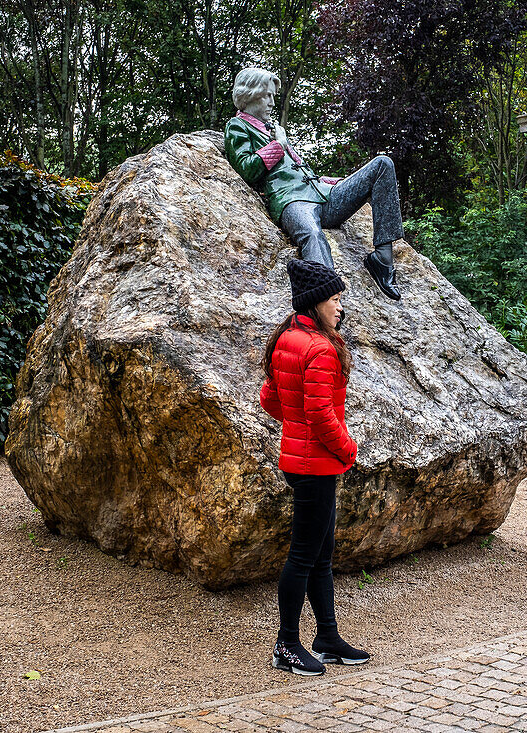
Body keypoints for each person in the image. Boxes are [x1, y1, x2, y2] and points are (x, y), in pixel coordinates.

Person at [259, 258, 370, 675]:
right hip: (317, 464)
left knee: (320, 554)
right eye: (336, 299)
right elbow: (323, 416)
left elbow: (272, 398)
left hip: (301, 460)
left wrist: (298, 427)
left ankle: (326, 637)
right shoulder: (321, 347)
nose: (340, 307)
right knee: (304, 556)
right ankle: (286, 645)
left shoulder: (288, 337)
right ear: (317, 301)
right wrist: (349, 450)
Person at [225, 67, 402, 301]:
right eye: (266, 95)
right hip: (291, 200)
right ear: (249, 95)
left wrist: (340, 183)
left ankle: (382, 260)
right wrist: (279, 144)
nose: (271, 102)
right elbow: (247, 168)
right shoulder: (238, 126)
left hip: (322, 194)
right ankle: (329, 303)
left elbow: (302, 170)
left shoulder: (273, 127)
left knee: (382, 164)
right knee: (312, 234)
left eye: (272, 96)